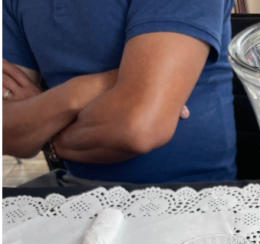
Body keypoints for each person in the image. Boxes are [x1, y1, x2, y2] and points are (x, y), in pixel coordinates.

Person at [2, 0, 237, 183]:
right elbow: (7, 133)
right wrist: (78, 92)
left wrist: (44, 127)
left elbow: (138, 129)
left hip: (192, 196)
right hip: (74, 192)